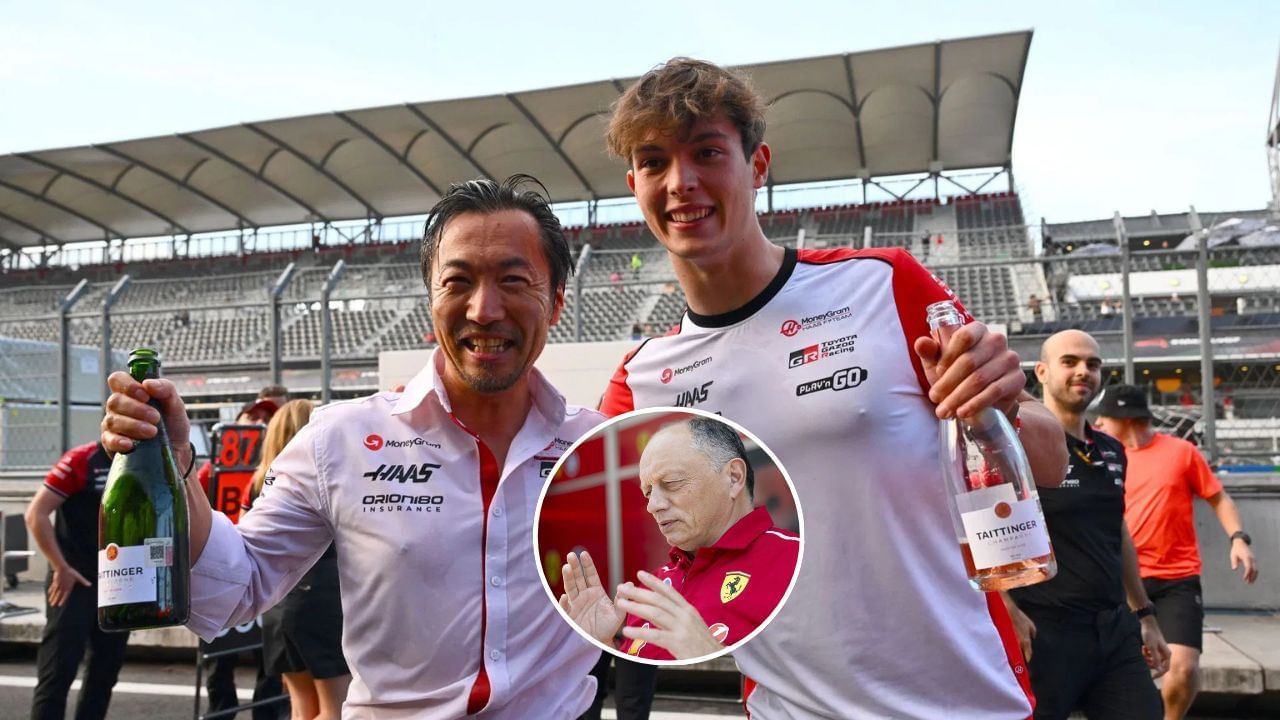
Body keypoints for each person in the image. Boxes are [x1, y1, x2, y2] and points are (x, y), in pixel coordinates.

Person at [598, 57, 1068, 718]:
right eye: (653, 162)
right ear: (634, 184)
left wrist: (1003, 402)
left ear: (758, 165)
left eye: (707, 152)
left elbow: (1050, 460)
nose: (681, 182)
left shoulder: (884, 284)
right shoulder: (640, 381)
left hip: (966, 701)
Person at [101, 175, 601, 717]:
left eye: (513, 279)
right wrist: (176, 469)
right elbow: (236, 587)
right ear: (431, 302)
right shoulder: (337, 439)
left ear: (554, 304)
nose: (484, 309)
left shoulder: (602, 449)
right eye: (457, 282)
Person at [1002, 330, 1169, 719]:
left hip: (1113, 631)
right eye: (1070, 362)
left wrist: (1145, 615)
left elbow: (1117, 531)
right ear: (1041, 372)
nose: (1084, 372)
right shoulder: (1013, 447)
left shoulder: (1111, 449)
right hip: (1042, 631)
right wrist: (1006, 609)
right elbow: (981, 532)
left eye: (1093, 365)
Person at [560, 416, 799, 661]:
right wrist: (602, 643)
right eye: (648, 492)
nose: (653, 505)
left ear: (734, 477)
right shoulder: (651, 586)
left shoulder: (798, 563)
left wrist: (710, 653)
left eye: (672, 483)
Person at [1095, 385, 1260, 720]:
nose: (1097, 422)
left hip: (1176, 579)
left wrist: (1239, 539)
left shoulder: (1181, 453)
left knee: (1182, 671)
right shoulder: (1100, 453)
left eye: (1104, 416)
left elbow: (1219, 498)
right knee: (1117, 676)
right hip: (1122, 581)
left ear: (1125, 419)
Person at [248, 400, 350, 720]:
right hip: (323, 597)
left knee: (301, 708)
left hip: (279, 603)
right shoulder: (328, 479)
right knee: (336, 707)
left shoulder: (262, 481)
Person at [26, 442, 130, 720]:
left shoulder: (144, 461)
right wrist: (60, 567)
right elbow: (36, 514)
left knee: (104, 674)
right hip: (74, 580)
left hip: (119, 584)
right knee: (58, 673)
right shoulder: (81, 459)